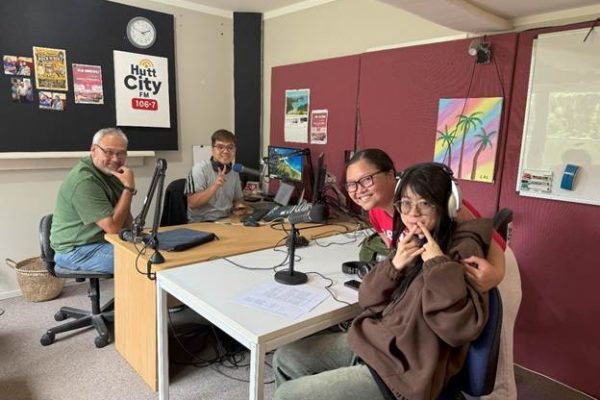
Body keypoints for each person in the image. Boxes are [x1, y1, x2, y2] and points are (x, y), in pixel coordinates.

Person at [273, 162, 492, 400]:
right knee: (285, 358)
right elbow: (367, 300)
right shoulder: (411, 240)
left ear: (448, 207)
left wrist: (438, 267)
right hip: (378, 344)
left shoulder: (462, 251)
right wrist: (394, 266)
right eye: (406, 204)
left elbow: (458, 330)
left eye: (425, 203)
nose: (412, 214)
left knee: (289, 395)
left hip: (405, 372)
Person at [50, 128, 135, 274]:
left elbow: (124, 221)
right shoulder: (84, 181)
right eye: (108, 152)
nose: (115, 159)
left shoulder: (113, 173)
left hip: (103, 240)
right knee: (138, 261)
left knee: (148, 251)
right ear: (93, 150)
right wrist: (128, 189)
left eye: (120, 153)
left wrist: (134, 237)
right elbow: (113, 228)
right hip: (75, 249)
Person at [185, 129, 249, 222]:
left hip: (227, 220)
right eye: (220, 147)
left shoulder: (234, 171)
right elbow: (192, 203)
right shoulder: (199, 169)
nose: (226, 151)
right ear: (212, 149)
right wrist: (215, 186)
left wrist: (239, 206)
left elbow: (237, 199)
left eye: (230, 148)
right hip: (202, 223)